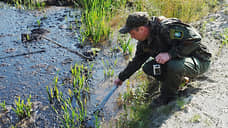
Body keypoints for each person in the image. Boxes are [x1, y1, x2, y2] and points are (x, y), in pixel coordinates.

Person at [114, 12, 211, 105]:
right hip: (181, 60)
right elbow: (137, 62)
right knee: (149, 68)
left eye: (132, 33)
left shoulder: (166, 28)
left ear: (142, 29)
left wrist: (169, 55)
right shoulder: (144, 42)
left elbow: (196, 39)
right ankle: (177, 80)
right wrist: (121, 78)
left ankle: (169, 97)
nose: (132, 37)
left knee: (174, 65)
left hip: (199, 60)